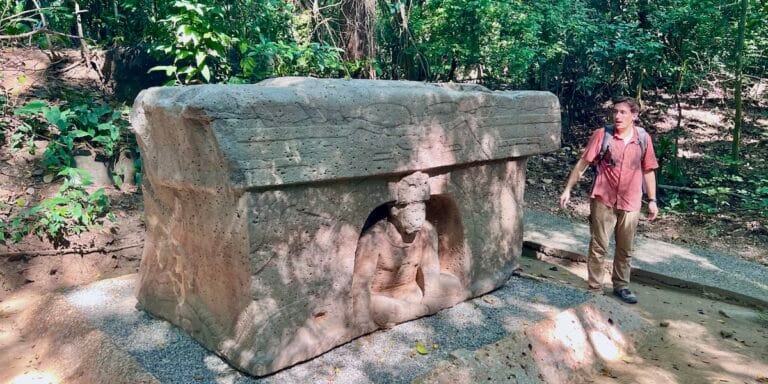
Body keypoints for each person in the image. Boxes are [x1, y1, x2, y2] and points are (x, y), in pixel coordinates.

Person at [559, 97, 659, 304]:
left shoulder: (643, 138)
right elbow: (583, 164)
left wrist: (652, 200)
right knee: (599, 245)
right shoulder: (602, 135)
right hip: (603, 198)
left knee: (625, 248)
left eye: (623, 112)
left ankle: (621, 286)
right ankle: (594, 288)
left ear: (634, 115)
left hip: (631, 201)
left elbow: (648, 170)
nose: (617, 116)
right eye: (615, 111)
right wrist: (568, 189)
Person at [351, 172, 464, 328]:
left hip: (413, 291)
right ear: (396, 212)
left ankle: (415, 311)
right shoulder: (376, 237)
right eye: (413, 211)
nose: (419, 217)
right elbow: (360, 283)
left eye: (421, 211)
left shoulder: (426, 231)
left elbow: (431, 273)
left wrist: (431, 297)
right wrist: (361, 319)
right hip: (383, 297)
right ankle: (420, 311)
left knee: (455, 285)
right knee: (390, 310)